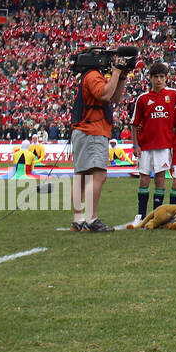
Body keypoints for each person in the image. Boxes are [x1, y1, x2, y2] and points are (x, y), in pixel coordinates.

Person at [69, 50, 132, 232]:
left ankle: (78, 218)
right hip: (93, 131)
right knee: (98, 175)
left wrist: (120, 77)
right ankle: (91, 219)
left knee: (81, 175)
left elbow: (114, 97)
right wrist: (116, 72)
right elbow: (105, 95)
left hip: (85, 129)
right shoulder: (93, 76)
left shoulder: (88, 75)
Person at [130, 61, 176, 224]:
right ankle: (141, 214)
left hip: (164, 145)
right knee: (144, 179)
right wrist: (136, 145)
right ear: (150, 78)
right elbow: (135, 124)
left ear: (166, 78)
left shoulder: (173, 95)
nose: (159, 80)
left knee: (160, 178)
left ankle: (157, 215)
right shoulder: (142, 99)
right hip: (145, 146)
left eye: (162, 77)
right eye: (156, 77)